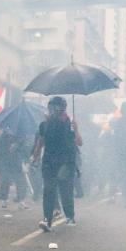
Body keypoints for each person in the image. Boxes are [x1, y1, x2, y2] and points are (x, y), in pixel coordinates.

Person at [30, 96, 82, 232]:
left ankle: (70, 216)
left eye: (55, 108)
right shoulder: (44, 125)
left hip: (65, 161)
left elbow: (79, 142)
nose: (52, 110)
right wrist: (34, 158)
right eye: (51, 107)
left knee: (65, 189)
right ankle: (47, 219)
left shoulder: (68, 124)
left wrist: (76, 129)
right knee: (48, 190)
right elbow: (40, 142)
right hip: (49, 161)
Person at [0, 128, 30, 210]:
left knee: (20, 182)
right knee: (5, 181)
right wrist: (8, 149)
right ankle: (4, 200)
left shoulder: (20, 136)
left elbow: (24, 149)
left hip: (17, 163)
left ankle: (21, 200)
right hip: (5, 163)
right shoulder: (2, 138)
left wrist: (25, 161)